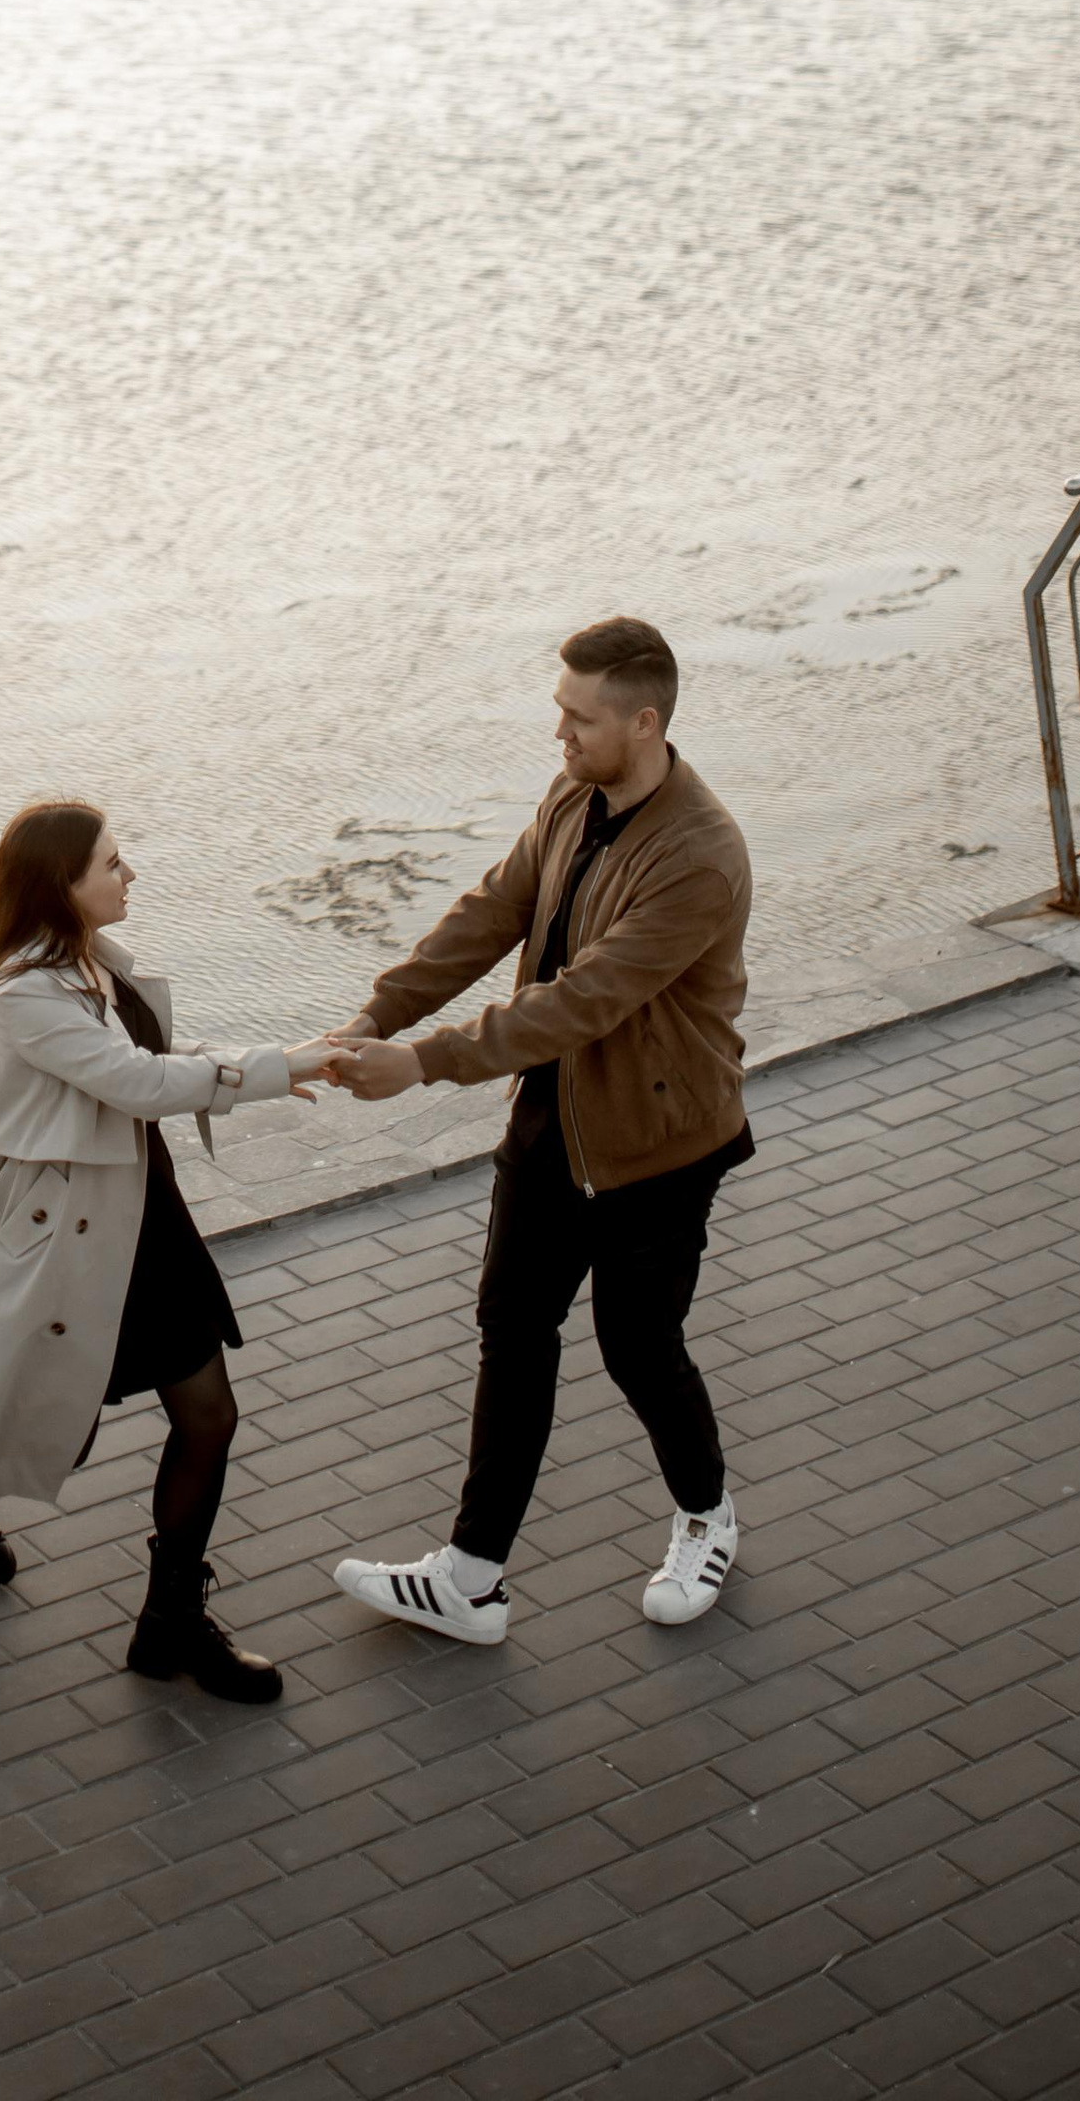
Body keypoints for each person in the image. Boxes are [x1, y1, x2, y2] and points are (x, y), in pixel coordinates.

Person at [321, 615, 752, 1643]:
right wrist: (377, 1016)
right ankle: (470, 1578)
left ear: (644, 722)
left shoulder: (698, 857)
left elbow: (583, 1001)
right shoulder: (575, 793)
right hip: (550, 1120)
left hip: (656, 1148)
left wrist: (419, 1064)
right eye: (558, 711)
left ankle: (707, 1512)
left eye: (577, 717)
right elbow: (492, 911)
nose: (557, 733)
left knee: (637, 1347)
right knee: (512, 1332)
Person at [0, 797, 340, 1699]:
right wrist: (275, 1074)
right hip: (70, 1248)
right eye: (113, 864)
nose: (131, 875)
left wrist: (291, 1057)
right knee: (56, 1433)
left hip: (147, 1223)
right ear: (64, 884)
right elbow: (134, 1079)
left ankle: (171, 1623)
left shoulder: (93, 966)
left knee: (210, 1416)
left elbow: (160, 1052)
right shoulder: (23, 997)